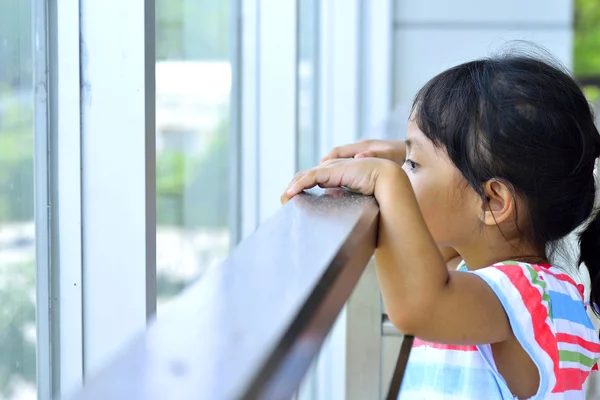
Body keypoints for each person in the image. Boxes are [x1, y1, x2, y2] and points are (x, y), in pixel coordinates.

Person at [281, 55, 600, 399]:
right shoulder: (476, 272)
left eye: (413, 165)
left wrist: (385, 179)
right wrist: (404, 157)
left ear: (492, 202)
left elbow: (419, 306)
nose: (403, 176)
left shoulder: (529, 298)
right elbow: (425, 254)